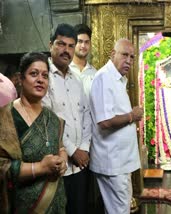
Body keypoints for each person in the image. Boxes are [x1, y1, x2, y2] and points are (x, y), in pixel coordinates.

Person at [0, 52, 68, 213]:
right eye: (33, 74)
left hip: (55, 202)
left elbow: (61, 147)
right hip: (22, 205)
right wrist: (40, 167)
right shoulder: (5, 118)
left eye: (45, 76)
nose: (40, 80)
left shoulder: (53, 118)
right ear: (20, 78)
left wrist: (63, 161)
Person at [90, 38, 143, 214]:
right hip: (112, 160)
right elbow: (104, 121)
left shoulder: (118, 78)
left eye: (132, 57)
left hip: (119, 160)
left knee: (118, 208)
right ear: (113, 54)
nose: (128, 60)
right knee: (119, 210)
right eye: (124, 55)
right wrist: (132, 116)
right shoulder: (104, 77)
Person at [42, 23, 92, 214]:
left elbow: (86, 115)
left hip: (80, 166)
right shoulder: (44, 76)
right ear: (50, 45)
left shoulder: (76, 79)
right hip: (57, 167)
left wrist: (85, 149)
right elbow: (47, 121)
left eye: (71, 46)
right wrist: (72, 151)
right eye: (61, 44)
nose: (66, 50)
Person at [70, 23, 97, 99]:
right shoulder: (65, 70)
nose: (83, 46)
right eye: (80, 41)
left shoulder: (95, 74)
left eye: (86, 42)